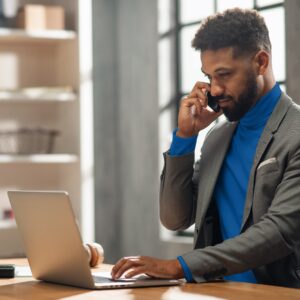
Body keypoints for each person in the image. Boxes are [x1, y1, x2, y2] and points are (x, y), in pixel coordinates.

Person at [111, 8, 300, 288]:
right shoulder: (217, 137)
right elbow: (175, 218)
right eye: (209, 76)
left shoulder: (294, 134)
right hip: (218, 292)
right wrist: (185, 137)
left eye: (224, 74)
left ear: (261, 62)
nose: (215, 89)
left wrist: (179, 266)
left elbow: (279, 231)